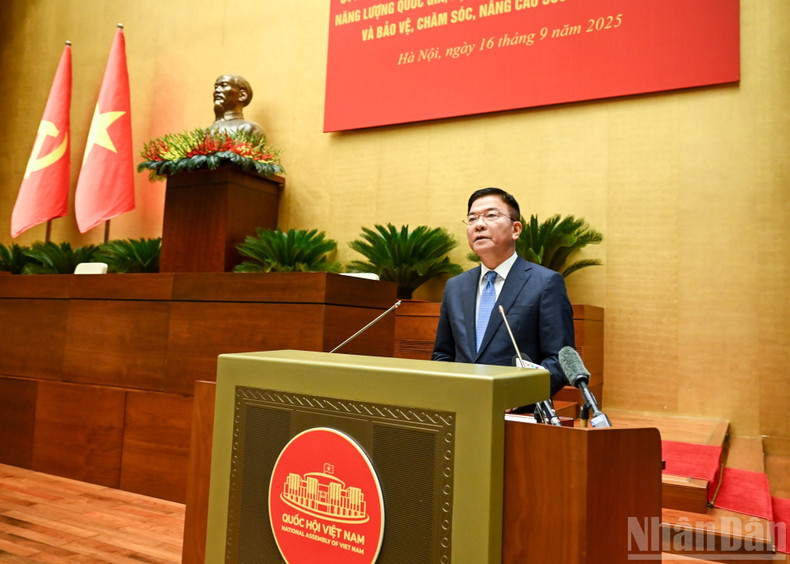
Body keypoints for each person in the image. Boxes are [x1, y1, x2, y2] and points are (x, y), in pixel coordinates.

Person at [432, 187, 575, 406]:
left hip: (517, 414)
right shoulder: (455, 287)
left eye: (491, 215)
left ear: (516, 229)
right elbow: (443, 354)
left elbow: (559, 360)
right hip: (460, 410)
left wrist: (518, 398)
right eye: (472, 219)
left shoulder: (545, 283)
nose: (479, 225)